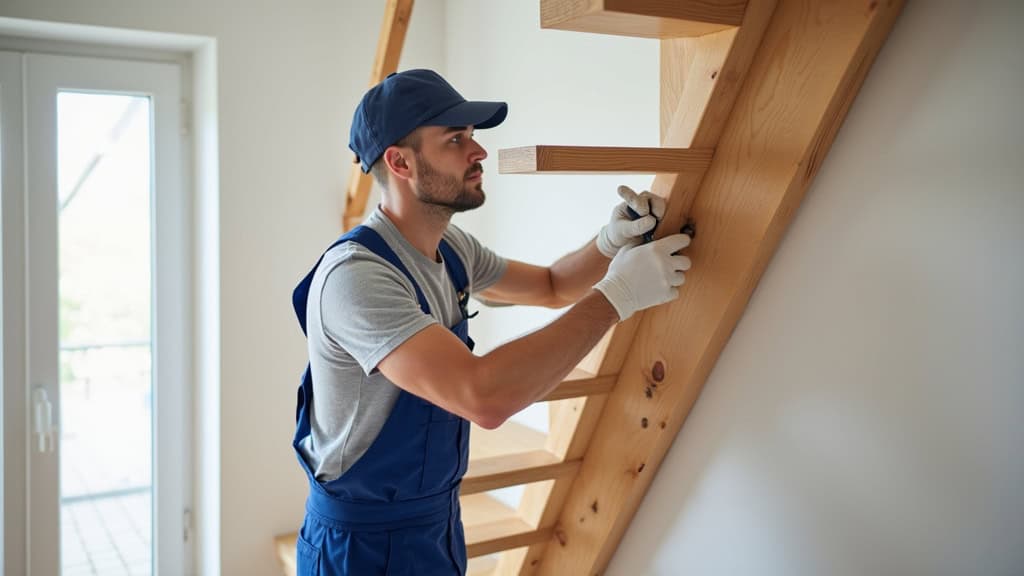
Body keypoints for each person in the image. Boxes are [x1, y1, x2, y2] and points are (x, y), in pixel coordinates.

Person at [291, 69, 692, 575]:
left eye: (473, 137)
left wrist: (610, 242)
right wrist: (619, 295)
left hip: (435, 524)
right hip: (360, 546)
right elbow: (483, 395)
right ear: (400, 161)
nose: (477, 152)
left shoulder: (450, 249)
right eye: (455, 140)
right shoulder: (357, 278)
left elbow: (551, 285)